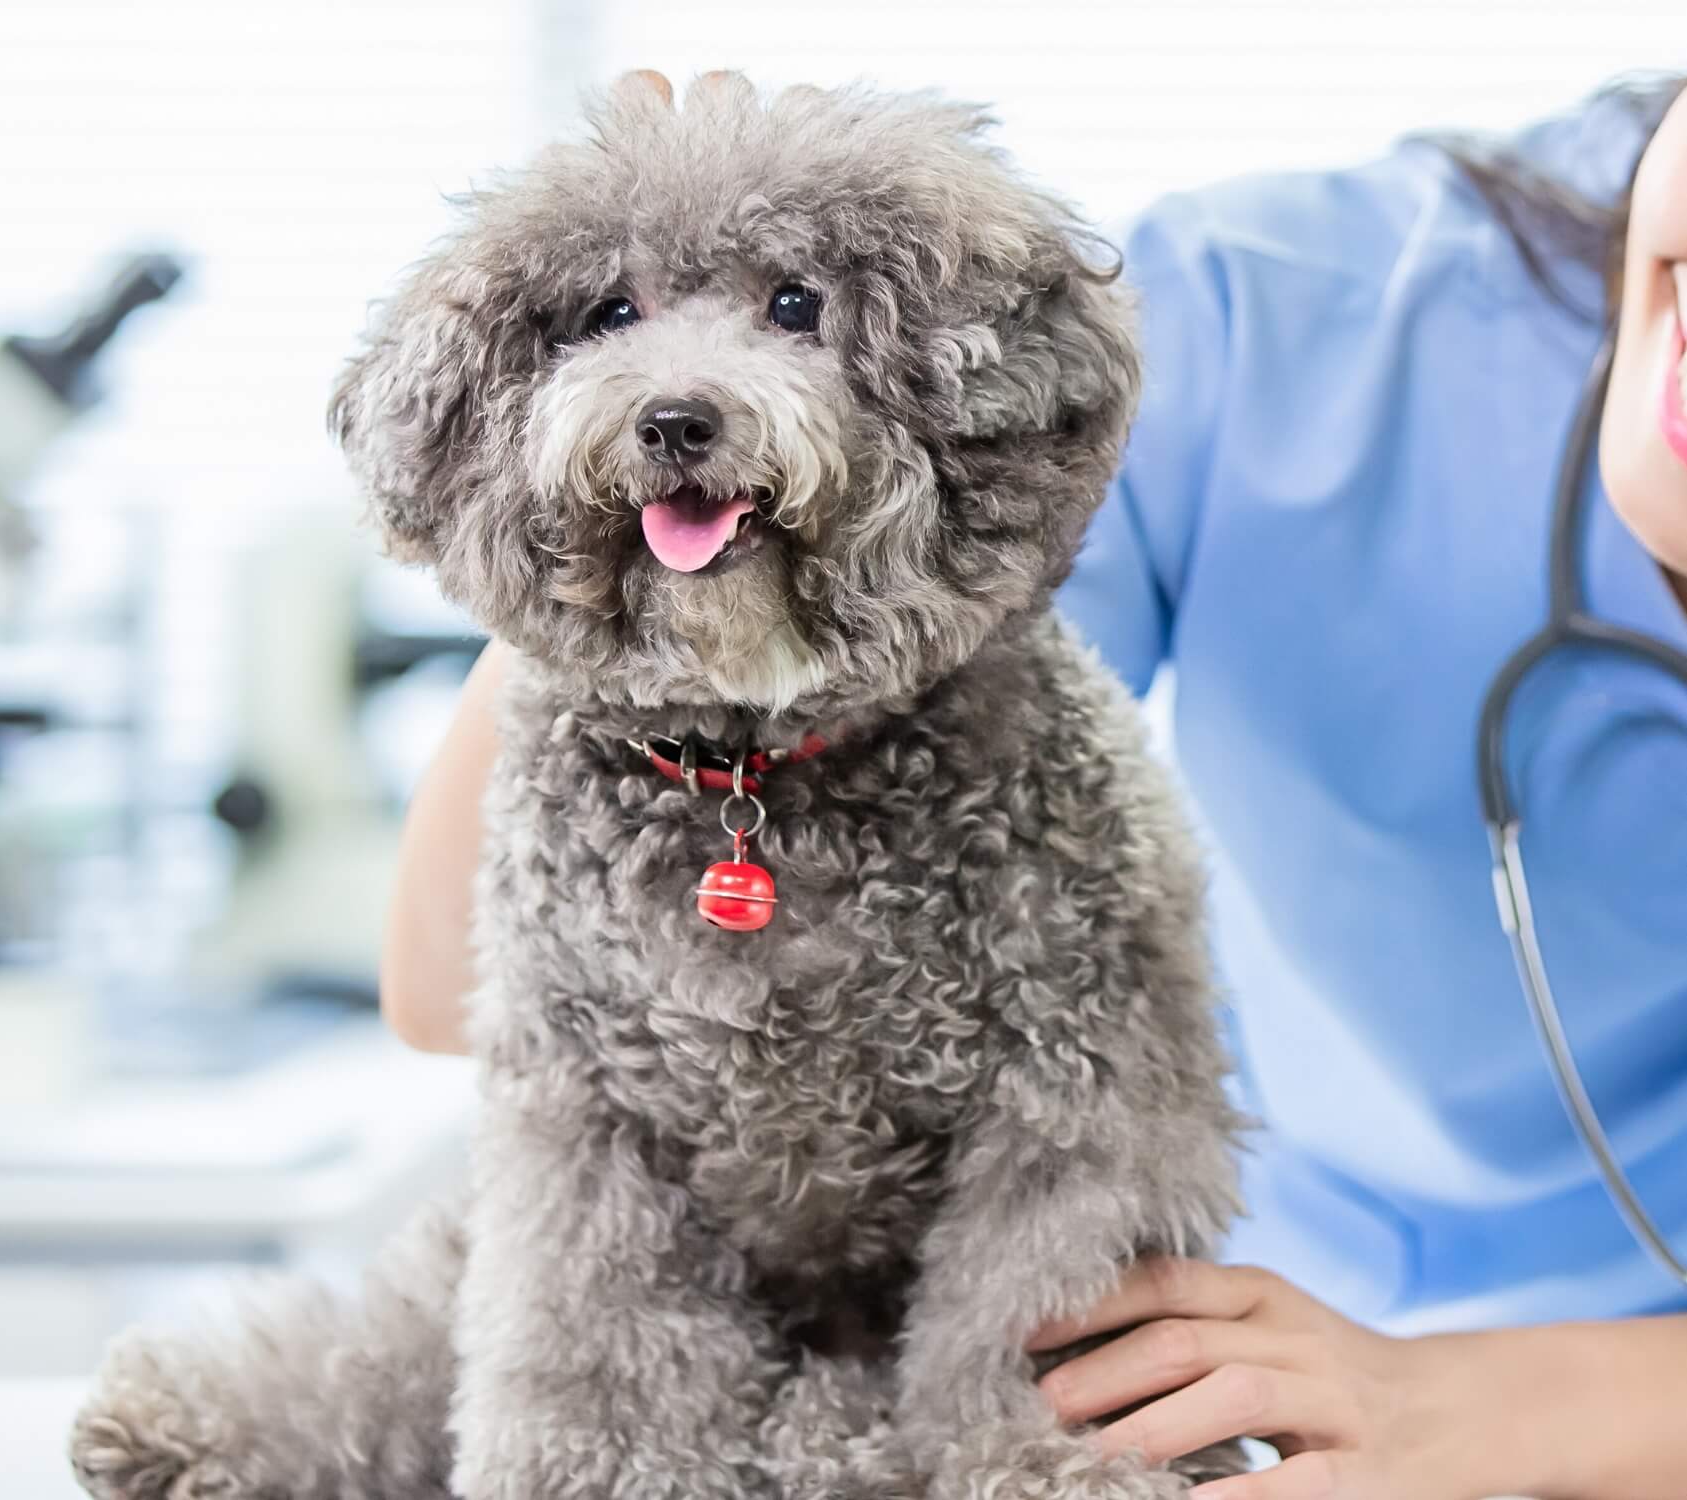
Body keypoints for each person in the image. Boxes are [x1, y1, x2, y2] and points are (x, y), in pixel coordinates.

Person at [373, 77, 1687, 1499]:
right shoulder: (1280, 325)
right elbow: (449, 987)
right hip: (1194, 1358)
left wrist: (1510, 1408)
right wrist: (624, 563)